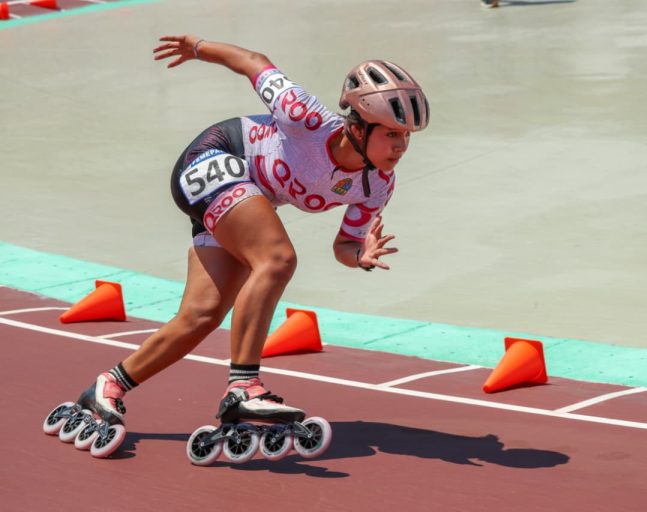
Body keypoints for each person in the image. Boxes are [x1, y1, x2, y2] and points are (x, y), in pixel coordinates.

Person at [46, 34, 430, 457]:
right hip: (215, 158)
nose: (400, 146)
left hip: (242, 200)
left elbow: (344, 244)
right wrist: (196, 47)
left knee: (202, 314)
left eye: (407, 137)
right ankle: (244, 384)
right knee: (277, 258)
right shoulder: (306, 117)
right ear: (358, 127)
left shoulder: (377, 185)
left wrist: (359, 255)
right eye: (392, 133)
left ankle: (109, 384)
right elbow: (252, 61)